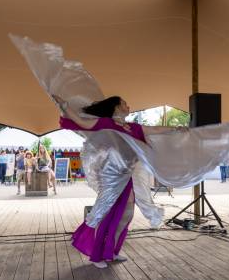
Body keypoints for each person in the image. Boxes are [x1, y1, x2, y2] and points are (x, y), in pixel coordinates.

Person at [53, 94, 183, 269]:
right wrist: (64, 105)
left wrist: (176, 129)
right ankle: (96, 255)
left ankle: (111, 250)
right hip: (110, 176)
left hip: (126, 175)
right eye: (124, 103)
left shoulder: (132, 127)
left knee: (127, 213)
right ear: (115, 107)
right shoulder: (106, 124)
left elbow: (154, 129)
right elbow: (81, 122)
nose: (128, 106)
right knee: (103, 213)